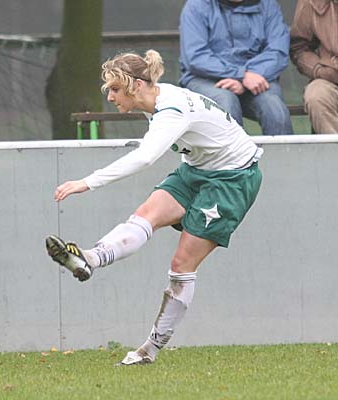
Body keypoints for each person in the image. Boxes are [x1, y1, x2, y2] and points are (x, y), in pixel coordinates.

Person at [45, 50, 263, 366]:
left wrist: (87, 182)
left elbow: (145, 157)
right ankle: (89, 259)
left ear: (136, 85)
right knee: (144, 216)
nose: (110, 97)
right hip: (197, 169)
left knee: (181, 265)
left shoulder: (170, 109)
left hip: (233, 179)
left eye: (115, 89)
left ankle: (149, 350)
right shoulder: (156, 100)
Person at [179, 0, 293, 135]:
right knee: (226, 104)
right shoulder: (196, 6)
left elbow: (278, 51)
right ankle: (235, 150)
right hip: (206, 78)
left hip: (258, 76)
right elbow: (196, 57)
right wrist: (241, 75)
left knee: (275, 109)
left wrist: (251, 75)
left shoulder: (268, 5)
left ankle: (283, 149)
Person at [289, 0, 338, 134]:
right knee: (316, 94)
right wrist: (319, 70)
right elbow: (298, 48)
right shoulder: (310, 2)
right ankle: (332, 147)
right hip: (330, 77)